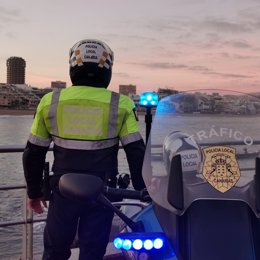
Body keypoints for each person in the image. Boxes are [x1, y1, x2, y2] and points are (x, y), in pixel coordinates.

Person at [22, 39, 146, 260]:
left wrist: (34, 192)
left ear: (73, 67)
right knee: (93, 252)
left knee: (54, 251)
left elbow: (34, 152)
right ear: (107, 68)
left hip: (62, 190)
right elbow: (136, 152)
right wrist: (142, 190)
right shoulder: (122, 103)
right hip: (103, 193)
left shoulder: (51, 101)